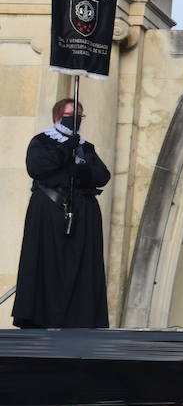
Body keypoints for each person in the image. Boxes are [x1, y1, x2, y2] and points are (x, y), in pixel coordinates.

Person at [13, 99, 111, 328]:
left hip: (81, 214)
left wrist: (82, 165)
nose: (74, 119)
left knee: (81, 270)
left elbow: (102, 175)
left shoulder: (86, 147)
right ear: (58, 115)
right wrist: (65, 150)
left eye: (79, 115)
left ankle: (81, 318)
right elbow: (36, 167)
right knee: (46, 265)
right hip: (49, 211)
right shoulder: (42, 141)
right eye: (69, 115)